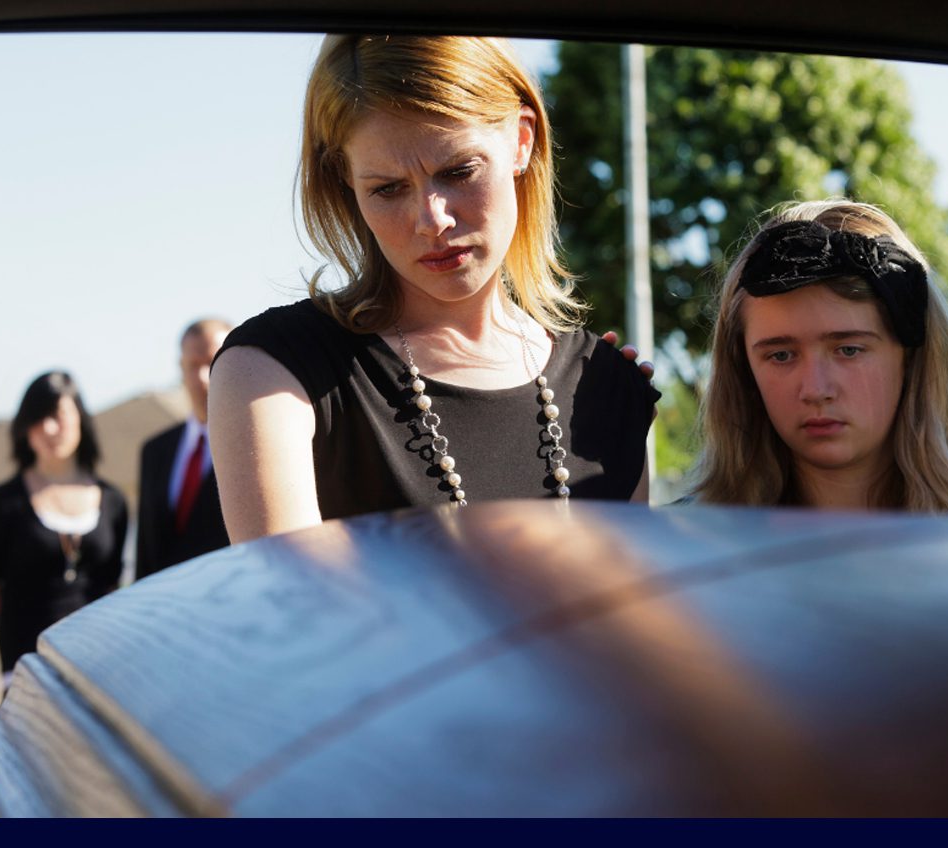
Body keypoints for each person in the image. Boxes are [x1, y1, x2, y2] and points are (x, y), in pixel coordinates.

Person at [208, 35, 657, 541]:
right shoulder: (272, 371)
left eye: (458, 171)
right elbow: (293, 609)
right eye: (387, 188)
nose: (431, 220)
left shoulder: (609, 385)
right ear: (346, 183)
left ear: (521, 142)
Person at [692, 200, 948, 513]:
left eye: (848, 350)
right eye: (781, 355)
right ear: (742, 367)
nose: (815, 390)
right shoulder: (686, 547)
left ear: (912, 357)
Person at [0, 372, 129, 675]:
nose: (48, 428)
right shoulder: (4, 502)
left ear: (80, 419)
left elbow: (113, 584)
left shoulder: (113, 501)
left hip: (97, 665)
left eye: (57, 415)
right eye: (37, 418)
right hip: (26, 665)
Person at [136, 319, 230, 578]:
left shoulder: (254, 447)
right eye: (192, 366)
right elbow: (145, 549)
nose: (202, 378)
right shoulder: (154, 451)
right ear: (180, 368)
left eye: (211, 363)